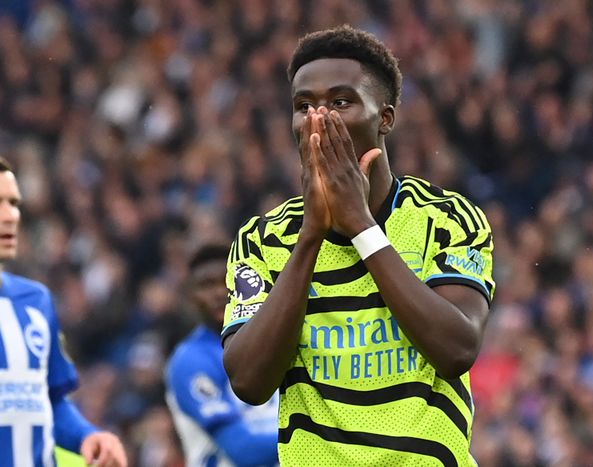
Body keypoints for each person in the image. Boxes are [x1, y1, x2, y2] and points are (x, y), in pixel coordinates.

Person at [221, 25, 495, 466]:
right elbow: (250, 383)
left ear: (385, 118)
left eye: (340, 102)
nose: (319, 119)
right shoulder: (264, 239)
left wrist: (361, 227)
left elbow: (457, 350)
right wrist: (311, 234)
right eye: (304, 106)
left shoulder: (445, 218)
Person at [0, 156, 127, 467]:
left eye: (13, 203)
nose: (10, 216)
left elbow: (49, 402)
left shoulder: (36, 302)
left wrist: (87, 435)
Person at [165, 243, 279, 467]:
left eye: (228, 280)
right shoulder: (191, 360)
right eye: (206, 285)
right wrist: (315, 434)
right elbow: (243, 451)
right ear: (191, 297)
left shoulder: (272, 341)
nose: (219, 292)